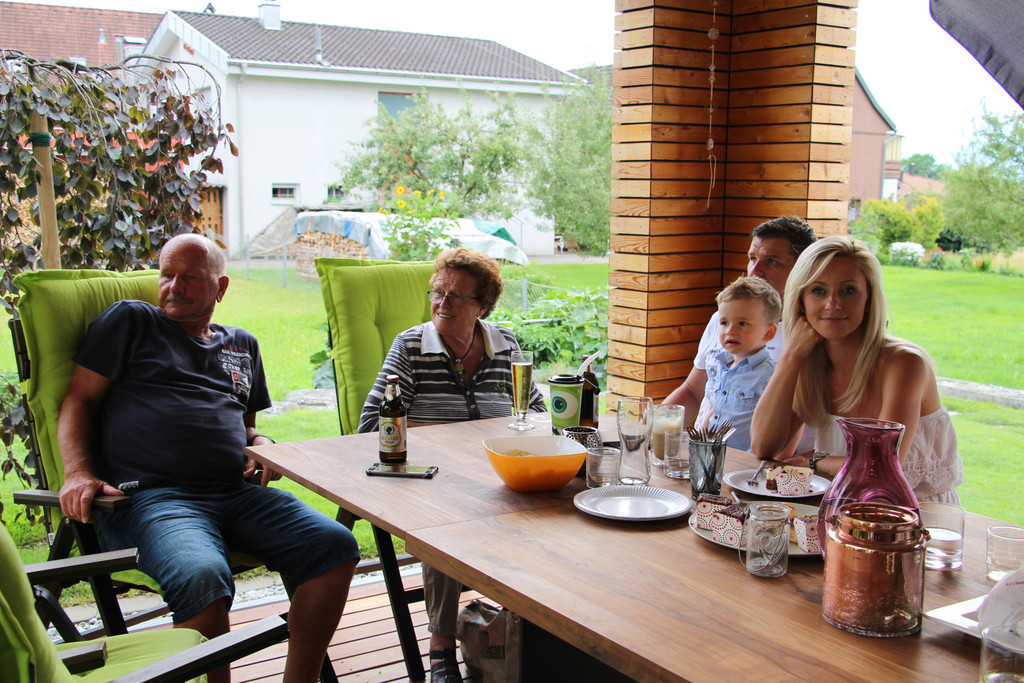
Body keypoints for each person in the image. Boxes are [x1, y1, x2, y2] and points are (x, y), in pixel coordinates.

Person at [57, 233, 360, 683]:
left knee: (335, 545)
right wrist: (77, 472)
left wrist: (263, 444)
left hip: (235, 494)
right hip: (153, 498)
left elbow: (246, 427)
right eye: (167, 275)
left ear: (221, 287)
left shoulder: (242, 345)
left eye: (190, 277)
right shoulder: (132, 321)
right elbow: (78, 400)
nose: (173, 286)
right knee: (203, 574)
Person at [358, 247, 545, 683]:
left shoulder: (505, 345)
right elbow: (372, 424)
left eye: (457, 296)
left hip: (498, 477)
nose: (443, 303)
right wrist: (457, 438)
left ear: (483, 306)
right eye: (438, 293)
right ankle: (440, 648)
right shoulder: (410, 346)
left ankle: (531, 630)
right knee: (446, 523)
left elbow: (534, 411)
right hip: (432, 481)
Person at [750, 236, 963, 503]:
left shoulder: (905, 363)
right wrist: (790, 356)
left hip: (914, 514)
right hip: (842, 507)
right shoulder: (809, 361)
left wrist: (814, 460)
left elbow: (881, 468)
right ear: (801, 300)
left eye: (848, 290)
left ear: (869, 298)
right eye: (818, 291)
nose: (833, 304)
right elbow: (765, 446)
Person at [663, 215, 817, 455]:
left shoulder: (810, 335)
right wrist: (652, 425)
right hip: (705, 455)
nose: (755, 271)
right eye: (752, 258)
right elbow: (693, 391)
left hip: (764, 465)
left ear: (804, 270)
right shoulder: (722, 320)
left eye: (772, 261)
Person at [692, 276, 781, 452]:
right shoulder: (720, 365)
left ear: (769, 333)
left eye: (743, 323)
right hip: (714, 456)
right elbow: (717, 411)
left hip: (744, 462)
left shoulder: (771, 376)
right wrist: (699, 444)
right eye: (724, 322)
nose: (730, 330)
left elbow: (775, 428)